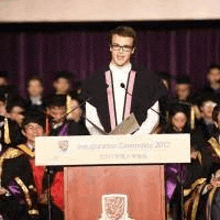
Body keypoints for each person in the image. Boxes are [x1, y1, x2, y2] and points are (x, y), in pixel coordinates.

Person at [83, 26, 167, 134]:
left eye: (126, 47)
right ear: (110, 47)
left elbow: (153, 118)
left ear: (133, 50)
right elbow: (91, 120)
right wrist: (105, 142)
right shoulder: (95, 80)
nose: (120, 52)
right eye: (116, 46)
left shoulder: (148, 79)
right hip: (104, 147)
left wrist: (133, 142)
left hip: (138, 146)